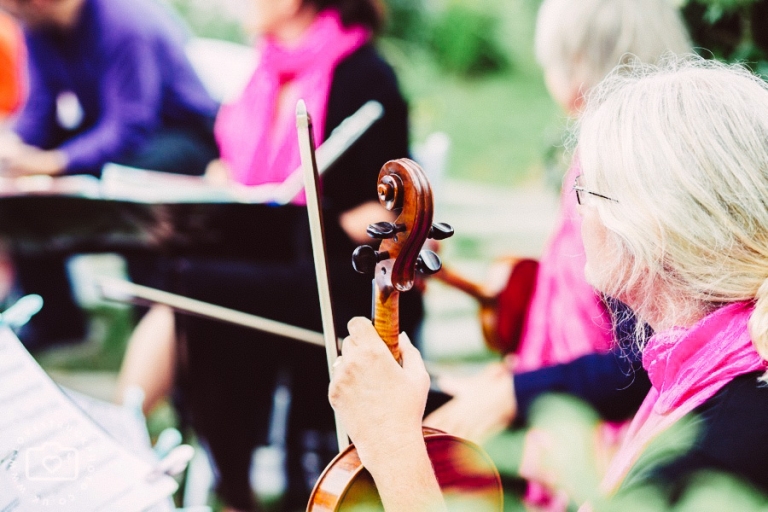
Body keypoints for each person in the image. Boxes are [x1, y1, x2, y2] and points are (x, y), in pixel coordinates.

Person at [330, 55, 768, 509]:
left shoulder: (716, 455)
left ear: (650, 228)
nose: (579, 213)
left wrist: (394, 446)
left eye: (589, 190)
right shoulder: (705, 377)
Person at [116, 1, 421, 510]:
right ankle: (209, 466)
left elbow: (385, 215)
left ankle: (139, 443)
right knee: (176, 274)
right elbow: (236, 163)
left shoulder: (366, 76)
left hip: (335, 277)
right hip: (270, 260)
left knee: (191, 289)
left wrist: (331, 212)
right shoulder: (265, 71)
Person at [424, 0, 690, 444]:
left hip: (620, 446)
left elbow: (646, 356)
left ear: (579, 63)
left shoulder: (619, 177)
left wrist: (519, 392)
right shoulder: (640, 158)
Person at [0, 0, 219, 177]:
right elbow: (39, 111)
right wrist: (13, 148)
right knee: (41, 157)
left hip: (180, 133)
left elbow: (128, 126)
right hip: (111, 125)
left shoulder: (124, 24)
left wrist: (55, 163)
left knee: (106, 172)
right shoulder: (38, 27)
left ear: (38, 3)